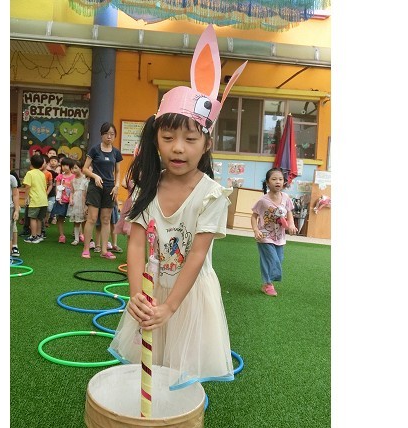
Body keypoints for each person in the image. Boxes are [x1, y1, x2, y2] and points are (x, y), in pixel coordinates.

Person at [108, 24, 247, 390]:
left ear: (206, 143)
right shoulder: (147, 186)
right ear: (156, 139)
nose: (178, 148)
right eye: (168, 137)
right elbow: (135, 243)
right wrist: (136, 295)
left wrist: (169, 306)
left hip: (189, 294)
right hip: (151, 285)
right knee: (151, 364)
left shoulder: (211, 195)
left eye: (190, 138)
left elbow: (197, 255)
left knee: (180, 367)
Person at [250, 168, 298, 296]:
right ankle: (268, 284)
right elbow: (254, 216)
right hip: (264, 235)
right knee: (271, 259)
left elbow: (289, 212)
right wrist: (256, 230)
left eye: (280, 179)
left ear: (284, 182)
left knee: (279, 259)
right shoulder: (263, 201)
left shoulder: (286, 197)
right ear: (267, 182)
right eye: (274, 179)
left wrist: (291, 224)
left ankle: (267, 282)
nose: (278, 181)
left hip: (279, 236)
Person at [81, 122, 123, 259]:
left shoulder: (116, 152)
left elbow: (118, 171)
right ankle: (86, 249)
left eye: (112, 134)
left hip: (110, 188)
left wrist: (117, 186)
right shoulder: (94, 149)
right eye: (106, 134)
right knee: (92, 218)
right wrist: (95, 176)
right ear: (101, 135)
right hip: (95, 186)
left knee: (106, 219)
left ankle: (104, 251)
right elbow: (85, 168)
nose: (109, 136)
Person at [22, 153, 48, 243]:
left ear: (31, 163)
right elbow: (44, 187)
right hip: (43, 200)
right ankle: (39, 235)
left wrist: (26, 198)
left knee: (32, 218)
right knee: (39, 219)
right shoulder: (42, 174)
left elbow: (27, 187)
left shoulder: (29, 173)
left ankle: (33, 236)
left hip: (35, 200)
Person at [67, 159, 89, 245]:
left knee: (85, 221)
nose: (73, 170)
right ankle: (76, 239)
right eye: (72, 168)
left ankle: (86, 238)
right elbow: (72, 192)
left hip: (84, 200)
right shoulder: (72, 180)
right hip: (76, 201)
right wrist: (71, 199)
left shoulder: (85, 178)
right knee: (76, 221)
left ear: (81, 168)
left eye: (75, 168)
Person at [53, 158, 74, 244]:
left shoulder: (74, 176)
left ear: (71, 166)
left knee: (76, 218)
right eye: (63, 165)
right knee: (60, 217)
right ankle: (61, 235)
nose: (64, 167)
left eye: (67, 165)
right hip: (62, 200)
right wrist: (58, 198)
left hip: (72, 200)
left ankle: (77, 234)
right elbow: (57, 188)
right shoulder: (60, 176)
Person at [46, 155, 60, 226]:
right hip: (46, 190)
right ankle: (46, 220)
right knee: (46, 206)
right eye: (51, 161)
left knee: (51, 206)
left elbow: (57, 175)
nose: (53, 162)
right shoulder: (46, 170)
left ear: (58, 163)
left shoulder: (59, 171)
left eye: (55, 161)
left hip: (54, 191)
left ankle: (53, 217)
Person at [10, 173, 20, 256]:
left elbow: (15, 194)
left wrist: (16, 210)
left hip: (10, 208)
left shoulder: (11, 178)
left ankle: (14, 246)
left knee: (11, 232)